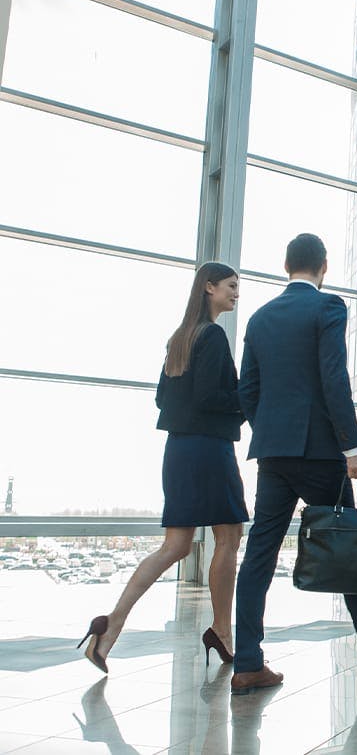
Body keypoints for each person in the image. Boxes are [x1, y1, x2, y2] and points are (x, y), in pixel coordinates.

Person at [230, 233, 357, 694]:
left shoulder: (260, 318)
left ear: (286, 265)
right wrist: (352, 448)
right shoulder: (328, 308)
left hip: (274, 453)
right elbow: (333, 377)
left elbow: (248, 391)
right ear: (323, 266)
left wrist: (274, 431)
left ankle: (247, 662)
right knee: (347, 543)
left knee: (259, 554)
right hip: (321, 452)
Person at [78, 263, 247, 673]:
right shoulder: (214, 336)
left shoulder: (180, 339)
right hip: (209, 450)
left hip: (179, 451)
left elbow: (161, 400)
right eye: (230, 286)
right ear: (208, 287)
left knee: (175, 546)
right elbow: (211, 396)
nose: (236, 293)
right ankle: (222, 632)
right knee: (228, 538)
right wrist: (248, 400)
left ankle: (110, 625)